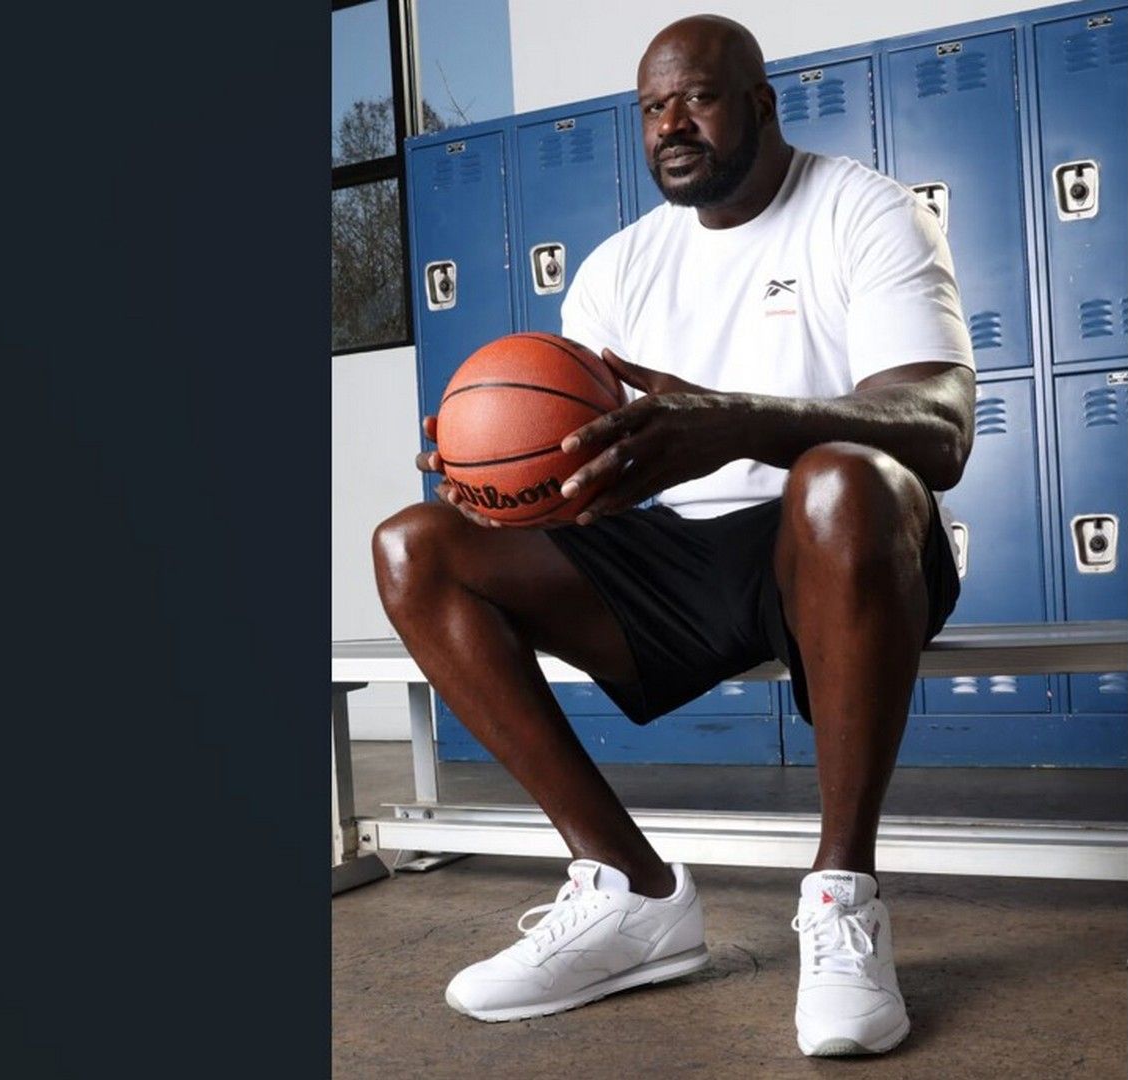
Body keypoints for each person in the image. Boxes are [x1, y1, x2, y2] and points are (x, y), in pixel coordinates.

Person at [371, 13, 975, 1058]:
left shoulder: (866, 211)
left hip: (842, 545)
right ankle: (629, 892)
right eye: (653, 108)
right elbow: (584, 466)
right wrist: (501, 481)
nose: (670, 125)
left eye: (695, 97)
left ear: (760, 103)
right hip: (681, 557)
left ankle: (843, 896)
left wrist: (735, 424)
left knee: (837, 479)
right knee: (413, 545)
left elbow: (942, 429)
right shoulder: (619, 267)